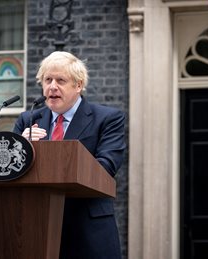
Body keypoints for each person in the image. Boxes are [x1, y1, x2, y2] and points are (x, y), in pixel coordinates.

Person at [13, 51, 126, 259]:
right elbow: (10, 172)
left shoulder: (108, 118)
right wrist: (20, 147)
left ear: (79, 85)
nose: (52, 86)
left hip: (88, 229)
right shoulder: (27, 121)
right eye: (47, 80)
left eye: (61, 80)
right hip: (37, 226)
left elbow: (106, 166)